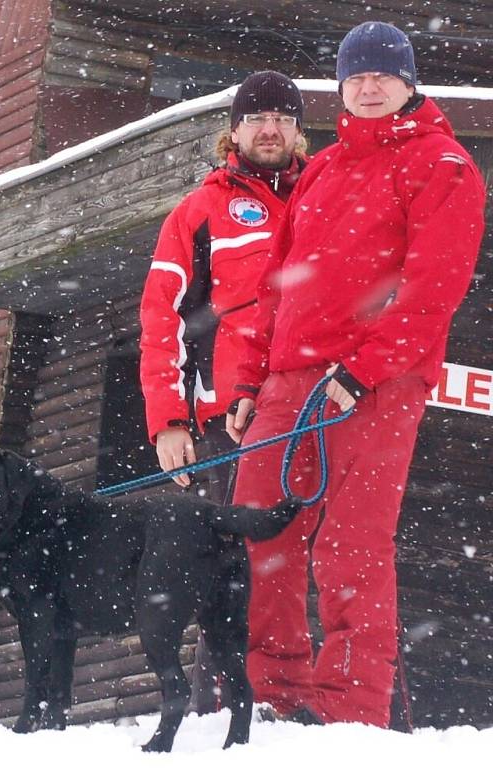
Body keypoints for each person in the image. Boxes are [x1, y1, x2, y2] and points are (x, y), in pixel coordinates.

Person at [226, 22, 486, 728]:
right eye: (357, 75)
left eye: (384, 75)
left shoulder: (445, 164)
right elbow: (274, 288)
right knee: (261, 535)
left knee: (351, 541)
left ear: (409, 84)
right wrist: (248, 383)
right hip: (285, 381)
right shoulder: (322, 169)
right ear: (341, 86)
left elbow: (435, 290)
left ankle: (348, 708)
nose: (369, 87)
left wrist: (363, 369)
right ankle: (270, 694)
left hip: (377, 380)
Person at [138, 72, 307, 713]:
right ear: (233, 130)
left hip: (320, 406)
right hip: (224, 423)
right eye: (257, 117)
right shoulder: (198, 211)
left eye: (283, 118)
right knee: (232, 567)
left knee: (314, 553)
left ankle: (305, 705)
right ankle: (224, 703)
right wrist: (168, 421)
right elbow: (162, 319)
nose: (270, 129)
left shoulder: (322, 198)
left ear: (298, 131)